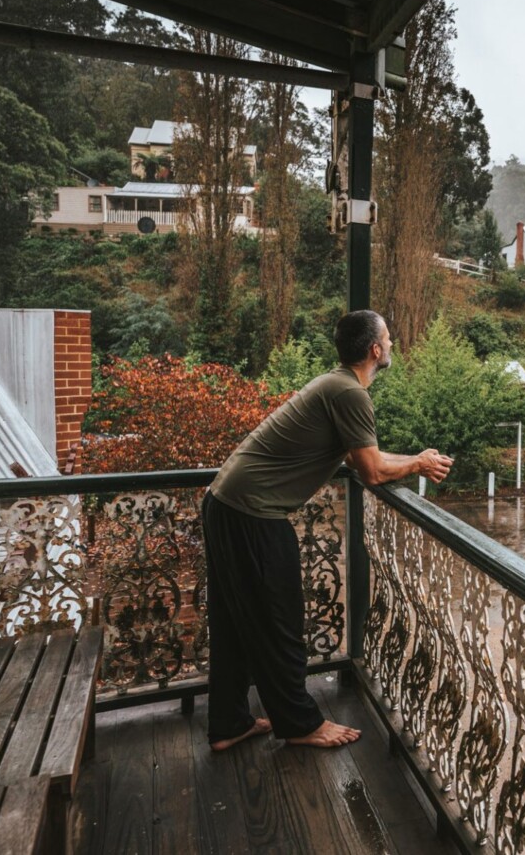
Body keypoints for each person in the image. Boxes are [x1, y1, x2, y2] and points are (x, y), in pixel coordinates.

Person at [202, 310, 452, 751]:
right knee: (280, 623)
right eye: (389, 339)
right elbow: (372, 472)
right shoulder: (351, 394)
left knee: (235, 623)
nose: (392, 345)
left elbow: (362, 458)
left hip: (226, 503)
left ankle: (228, 721)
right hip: (253, 515)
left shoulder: (335, 385)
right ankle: (300, 725)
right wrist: (416, 463)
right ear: (375, 350)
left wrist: (416, 459)